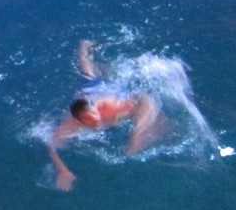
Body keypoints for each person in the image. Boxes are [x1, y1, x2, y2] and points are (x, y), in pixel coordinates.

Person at [46, 40, 163, 192]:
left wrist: (137, 133)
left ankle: (84, 47)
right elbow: (50, 144)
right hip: (86, 96)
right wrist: (63, 170)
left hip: (96, 91)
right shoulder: (73, 124)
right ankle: (84, 50)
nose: (94, 121)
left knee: (88, 73)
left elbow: (145, 99)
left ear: (97, 109)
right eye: (87, 120)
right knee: (86, 75)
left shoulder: (110, 107)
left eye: (94, 115)